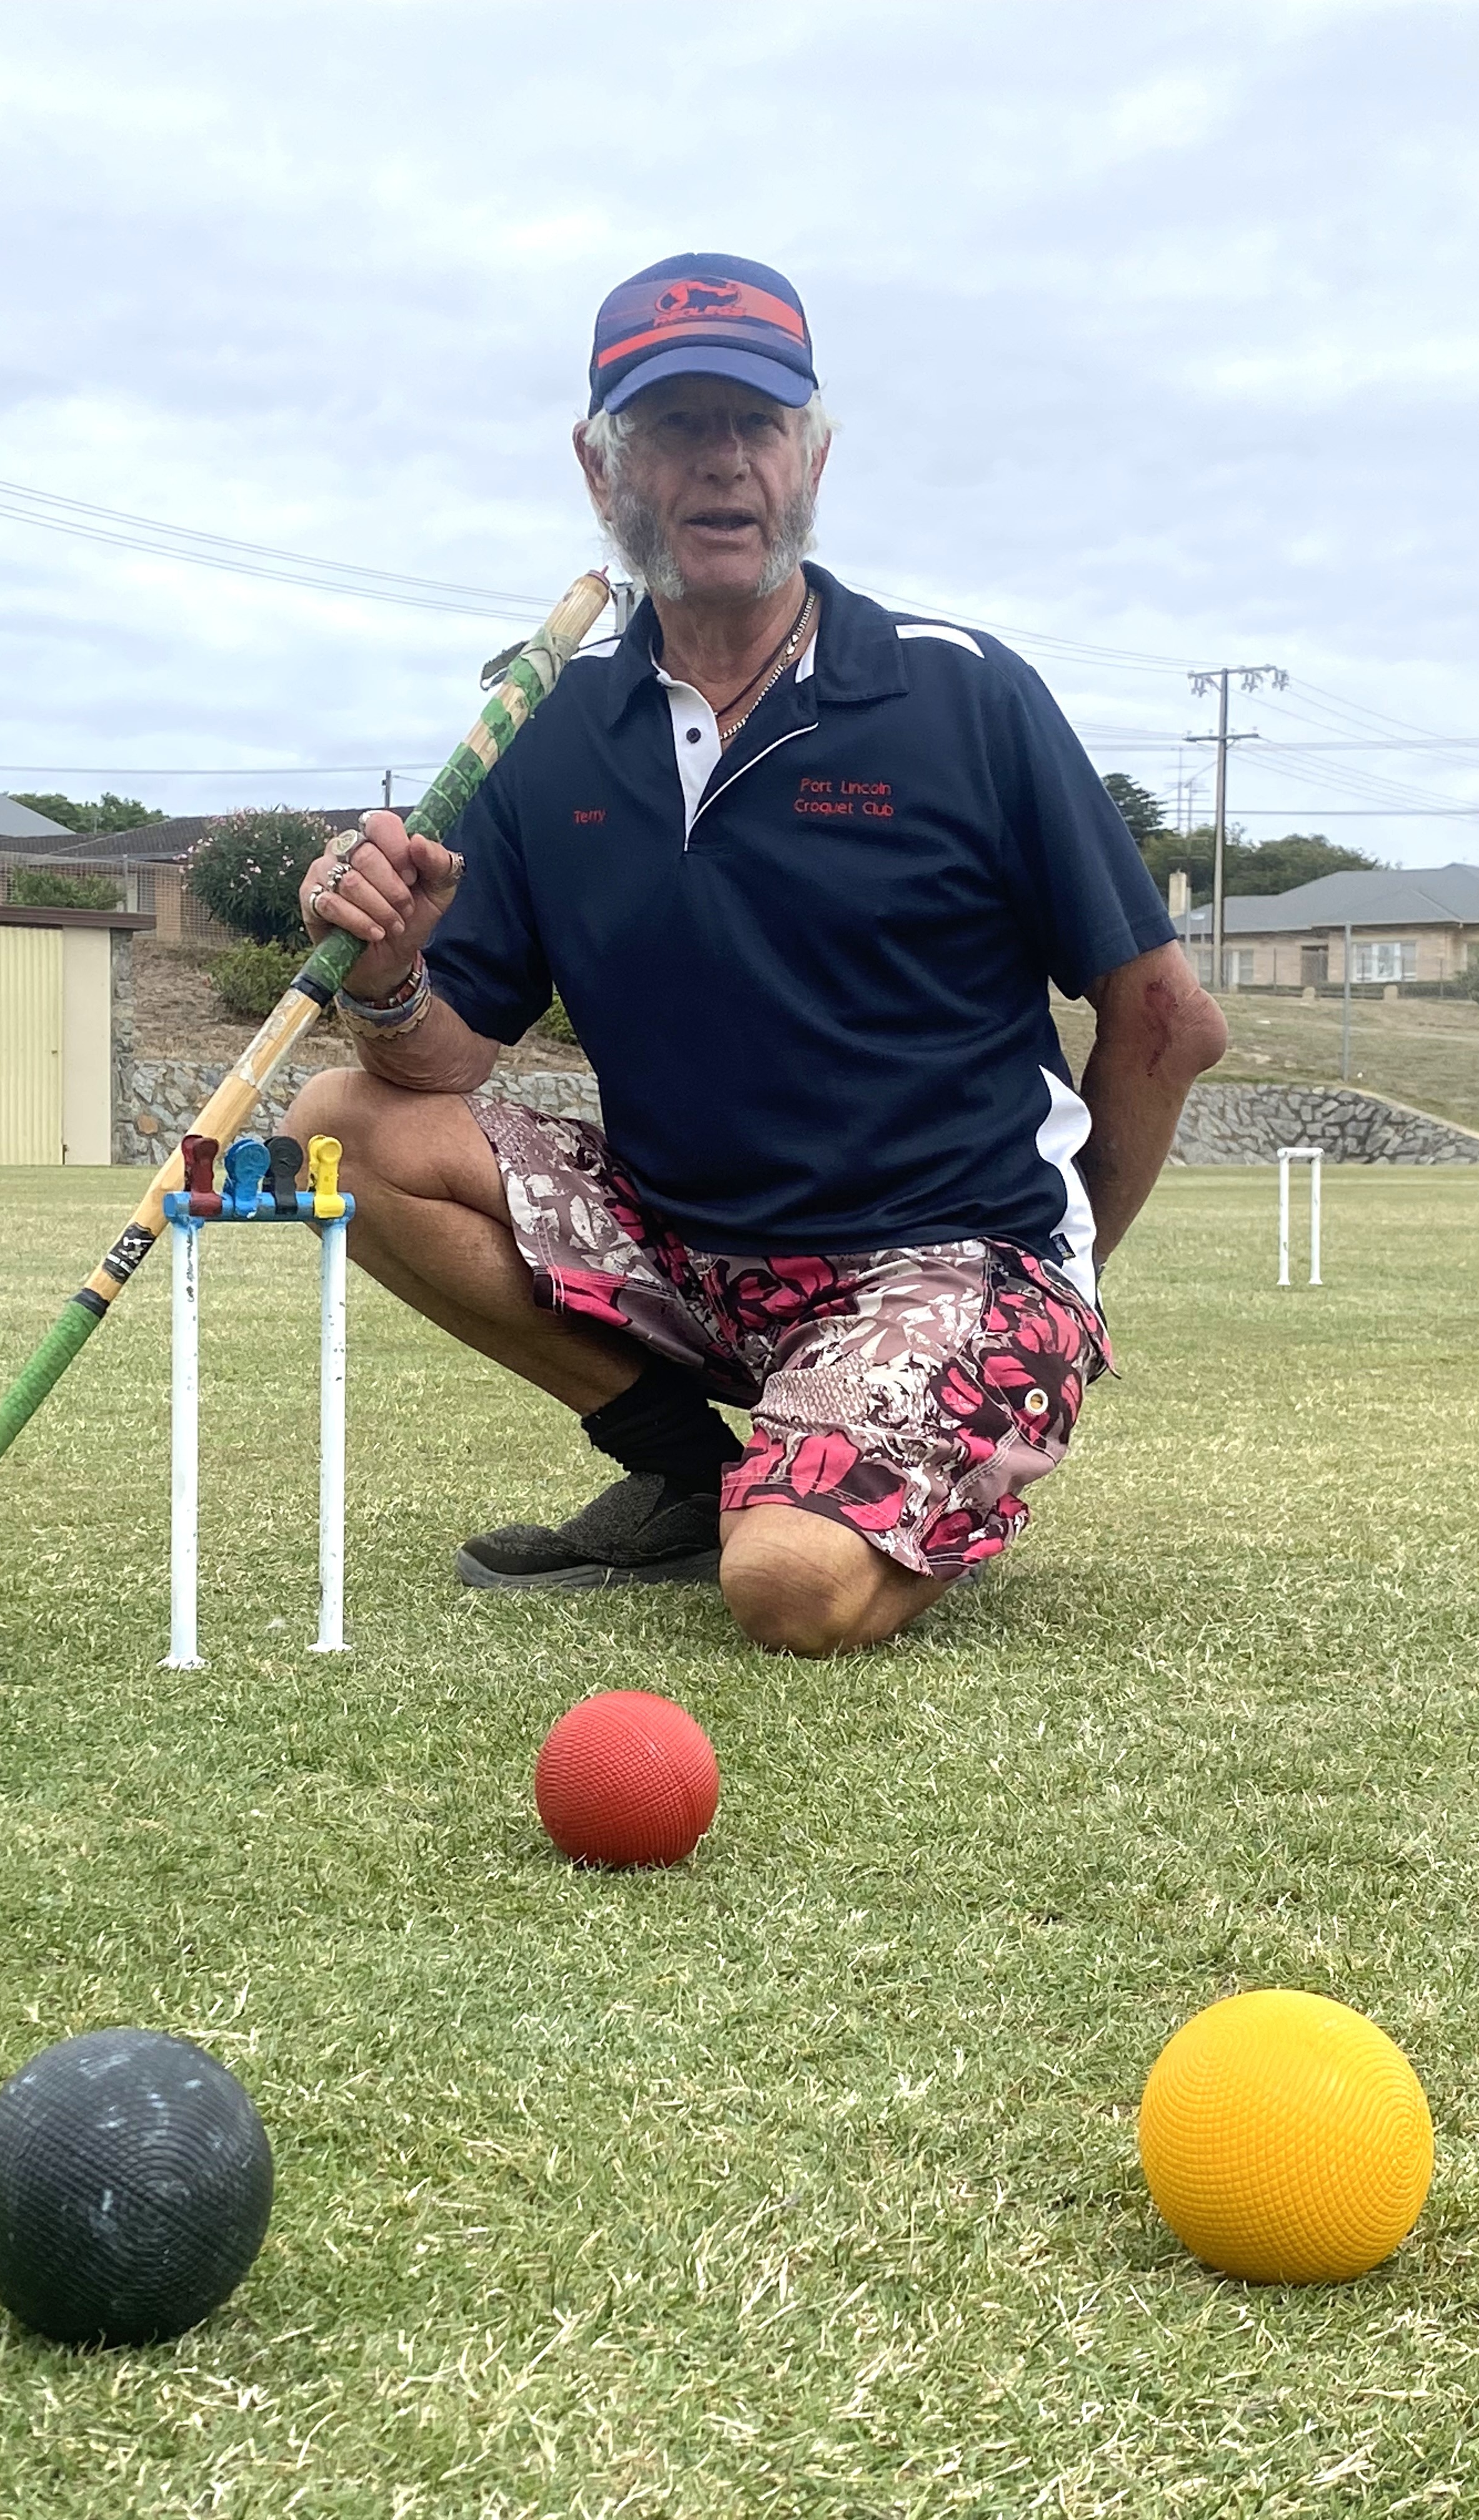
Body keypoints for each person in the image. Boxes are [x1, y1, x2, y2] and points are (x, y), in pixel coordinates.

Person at [285, 251, 1226, 1656]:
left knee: (786, 1589)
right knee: (342, 1125)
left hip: (947, 1254)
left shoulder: (962, 695)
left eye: (758, 425)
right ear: (601, 470)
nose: (723, 466)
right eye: (674, 428)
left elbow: (1165, 1023)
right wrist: (384, 975)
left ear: (815, 455)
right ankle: (686, 1468)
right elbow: (446, 1057)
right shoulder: (544, 733)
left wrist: (1057, 1274)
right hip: (695, 1253)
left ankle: (850, 1475)